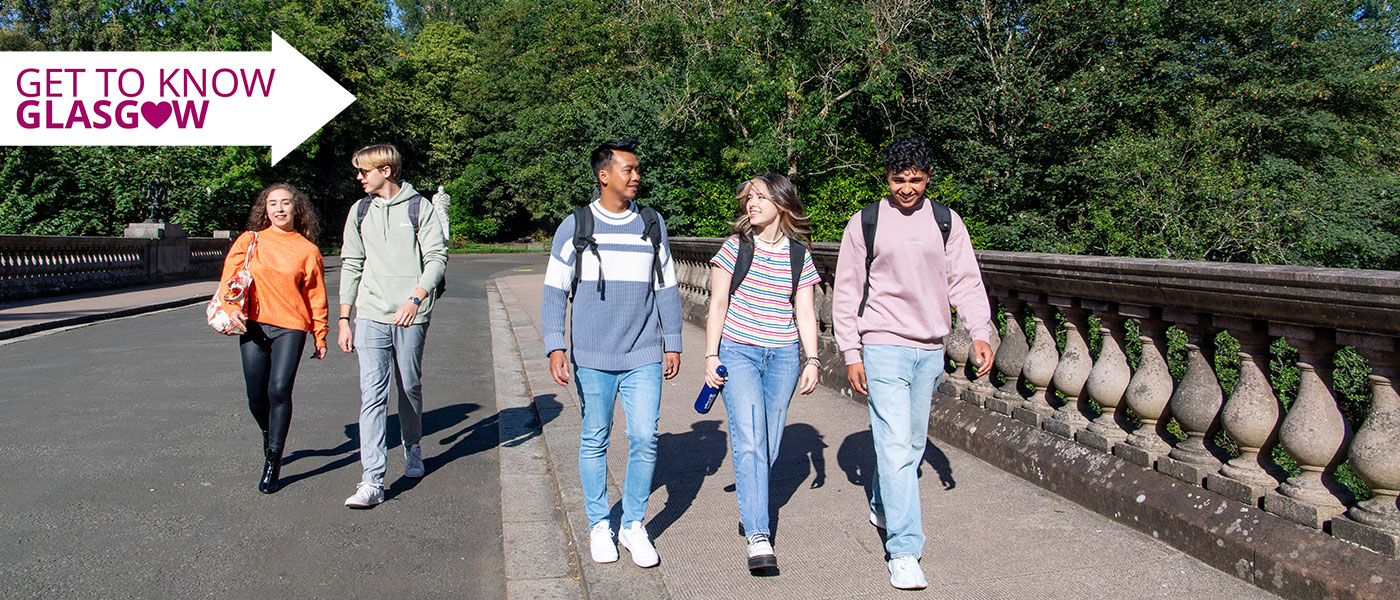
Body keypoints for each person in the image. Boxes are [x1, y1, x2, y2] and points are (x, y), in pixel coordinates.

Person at [832, 137, 996, 590]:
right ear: (886, 178)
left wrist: (979, 332)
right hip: (882, 344)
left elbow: (964, 279)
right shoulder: (864, 223)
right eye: (899, 179)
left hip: (930, 350)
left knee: (912, 445)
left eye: (916, 180)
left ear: (928, 178)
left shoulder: (946, 222)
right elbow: (846, 292)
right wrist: (851, 352)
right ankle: (904, 550)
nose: (907, 188)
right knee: (893, 447)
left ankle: (884, 503)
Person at [541, 138, 683, 568]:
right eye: (628, 169)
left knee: (644, 437)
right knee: (594, 439)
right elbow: (554, 292)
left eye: (638, 169)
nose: (637, 176)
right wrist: (555, 346)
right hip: (591, 355)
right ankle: (599, 524)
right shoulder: (576, 226)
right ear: (604, 176)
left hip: (643, 352)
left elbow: (668, 288)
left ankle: (633, 524)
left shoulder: (652, 223)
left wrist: (672, 340)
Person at [703, 174, 821, 573]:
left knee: (767, 443)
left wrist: (813, 360)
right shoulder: (734, 248)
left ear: (781, 205)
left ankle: (750, 503)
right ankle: (758, 534)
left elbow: (805, 311)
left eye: (759, 198)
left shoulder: (797, 255)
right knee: (751, 439)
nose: (750, 204)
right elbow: (718, 304)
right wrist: (710, 356)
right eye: (748, 198)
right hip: (739, 352)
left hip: (784, 356)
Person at [338, 144, 448, 509]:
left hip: (411, 312)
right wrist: (344, 318)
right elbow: (351, 263)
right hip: (370, 312)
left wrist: (415, 297)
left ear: (385, 170)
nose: (359, 178)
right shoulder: (360, 211)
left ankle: (413, 446)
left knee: (409, 385)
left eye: (363, 171)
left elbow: (436, 257)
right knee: (372, 393)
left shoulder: (420, 208)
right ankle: (372, 480)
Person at [217, 182, 328, 494]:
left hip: (291, 327)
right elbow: (229, 280)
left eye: (286, 203)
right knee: (256, 397)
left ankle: (273, 458)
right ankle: (269, 432)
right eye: (273, 204)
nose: (279, 209)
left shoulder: (308, 251)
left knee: (279, 390)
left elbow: (316, 297)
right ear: (264, 210)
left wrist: (320, 335)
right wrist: (231, 308)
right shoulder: (250, 241)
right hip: (253, 325)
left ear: (297, 208)